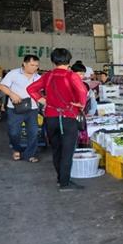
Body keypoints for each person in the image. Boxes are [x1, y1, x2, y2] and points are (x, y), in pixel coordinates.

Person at [27, 48, 87, 191]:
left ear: (53, 60)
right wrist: (81, 104)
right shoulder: (71, 75)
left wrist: (42, 100)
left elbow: (31, 89)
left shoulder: (48, 76)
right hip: (68, 117)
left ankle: (61, 179)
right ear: (69, 60)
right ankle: (65, 184)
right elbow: (82, 91)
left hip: (51, 117)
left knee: (56, 150)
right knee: (67, 151)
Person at [0, 56, 41, 162]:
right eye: (32, 65)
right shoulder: (13, 74)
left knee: (34, 132)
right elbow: (2, 86)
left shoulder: (38, 77)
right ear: (24, 64)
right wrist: (12, 94)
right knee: (13, 132)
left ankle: (30, 154)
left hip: (32, 109)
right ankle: (16, 149)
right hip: (15, 109)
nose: (34, 68)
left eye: (36, 65)